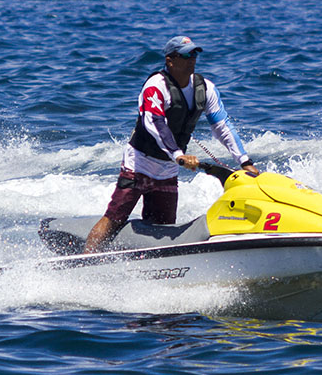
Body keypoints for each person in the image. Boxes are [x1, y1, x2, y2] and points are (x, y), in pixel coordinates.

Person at [83, 35, 259, 253]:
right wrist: (178, 155)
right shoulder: (156, 86)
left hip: (167, 169)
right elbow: (154, 123)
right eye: (186, 55)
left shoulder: (206, 89)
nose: (192, 59)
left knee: (163, 226)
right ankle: (84, 260)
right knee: (115, 217)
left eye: (195, 54)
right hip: (139, 165)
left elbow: (222, 126)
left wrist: (244, 161)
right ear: (170, 60)